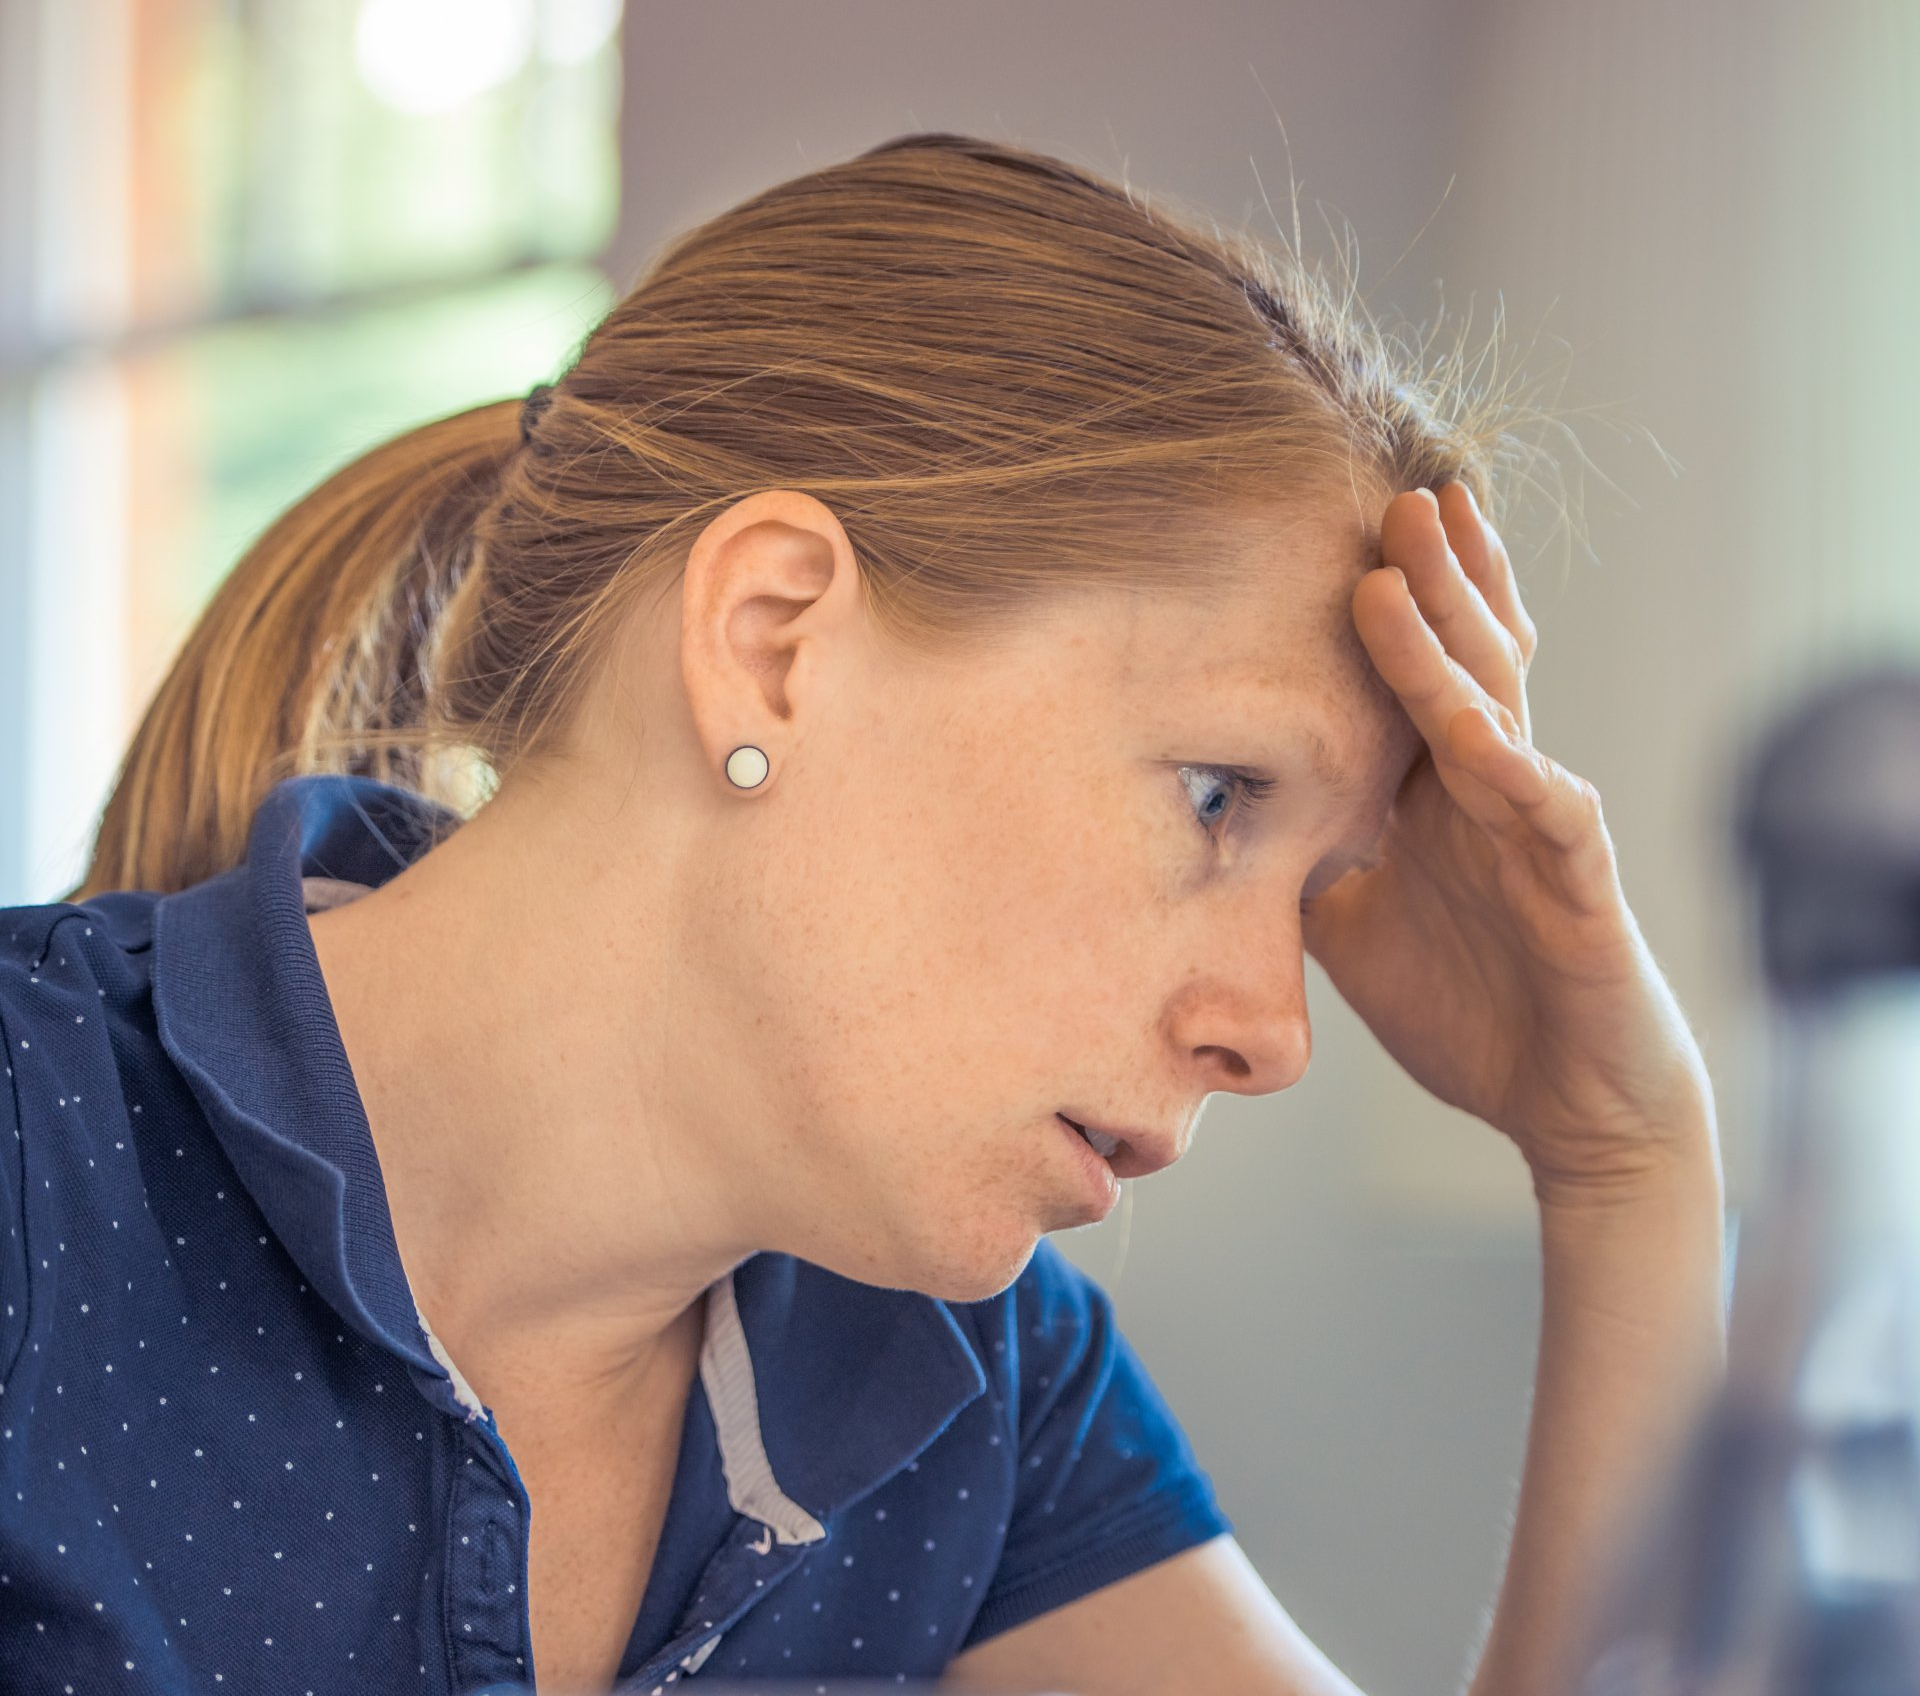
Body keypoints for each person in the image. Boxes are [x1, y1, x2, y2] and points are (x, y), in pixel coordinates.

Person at [0, 132, 1726, 1696]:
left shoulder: (966, 1382)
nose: (1272, 1035)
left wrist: (1623, 1155)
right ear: (774, 639)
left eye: (1322, 890)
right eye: (1216, 798)